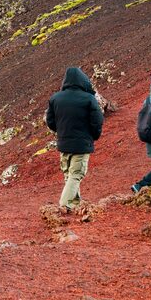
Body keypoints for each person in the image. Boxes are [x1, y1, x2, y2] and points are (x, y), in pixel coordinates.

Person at [45, 66, 104, 213]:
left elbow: (50, 121)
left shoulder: (55, 98)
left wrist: (61, 133)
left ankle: (74, 203)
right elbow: (97, 121)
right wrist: (94, 136)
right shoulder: (88, 99)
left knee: (69, 174)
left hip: (63, 143)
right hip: (81, 144)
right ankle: (64, 206)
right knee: (76, 174)